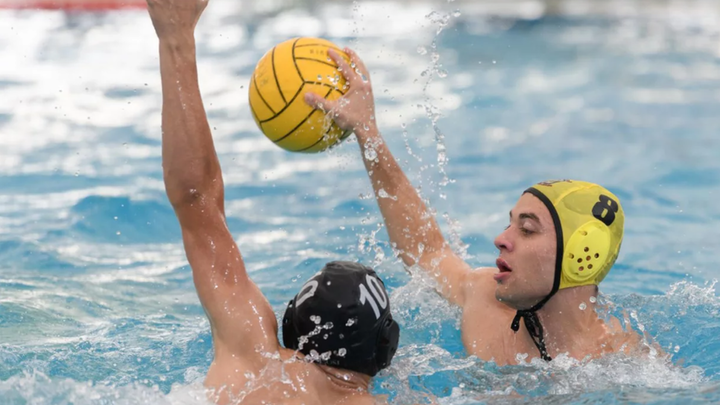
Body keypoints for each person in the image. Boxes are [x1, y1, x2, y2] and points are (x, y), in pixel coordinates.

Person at [305, 48, 649, 365]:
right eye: (510, 223)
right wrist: (369, 133)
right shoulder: (485, 298)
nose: (501, 238)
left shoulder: (625, 362)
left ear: (581, 253)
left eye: (527, 229)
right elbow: (426, 252)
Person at [146, 1, 399, 403]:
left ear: (290, 328)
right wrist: (369, 133)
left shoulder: (255, 361)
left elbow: (196, 202)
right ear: (387, 345)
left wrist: (176, 40)